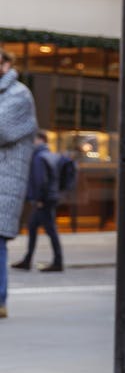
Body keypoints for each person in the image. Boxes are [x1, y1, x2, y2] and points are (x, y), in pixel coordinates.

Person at [0, 50, 39, 319]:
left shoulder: (18, 94)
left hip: (5, 182)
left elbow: (2, 128)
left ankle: (0, 300)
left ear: (7, 64)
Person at [13, 132, 65, 272]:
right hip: (49, 198)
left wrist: (39, 199)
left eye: (33, 140)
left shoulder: (39, 157)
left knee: (51, 230)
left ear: (40, 140)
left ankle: (58, 262)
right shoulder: (50, 155)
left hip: (43, 200)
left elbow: (40, 180)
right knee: (32, 227)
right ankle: (28, 260)